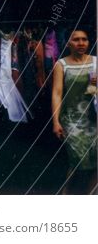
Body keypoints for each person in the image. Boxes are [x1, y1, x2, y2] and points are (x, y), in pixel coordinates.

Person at [51, 28, 97, 194]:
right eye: (76, 40)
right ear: (69, 43)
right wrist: (56, 121)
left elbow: (94, 91)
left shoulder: (95, 62)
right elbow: (57, 93)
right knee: (78, 161)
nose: (81, 43)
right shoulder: (61, 65)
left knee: (96, 160)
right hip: (72, 121)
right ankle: (66, 194)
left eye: (84, 39)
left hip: (94, 119)